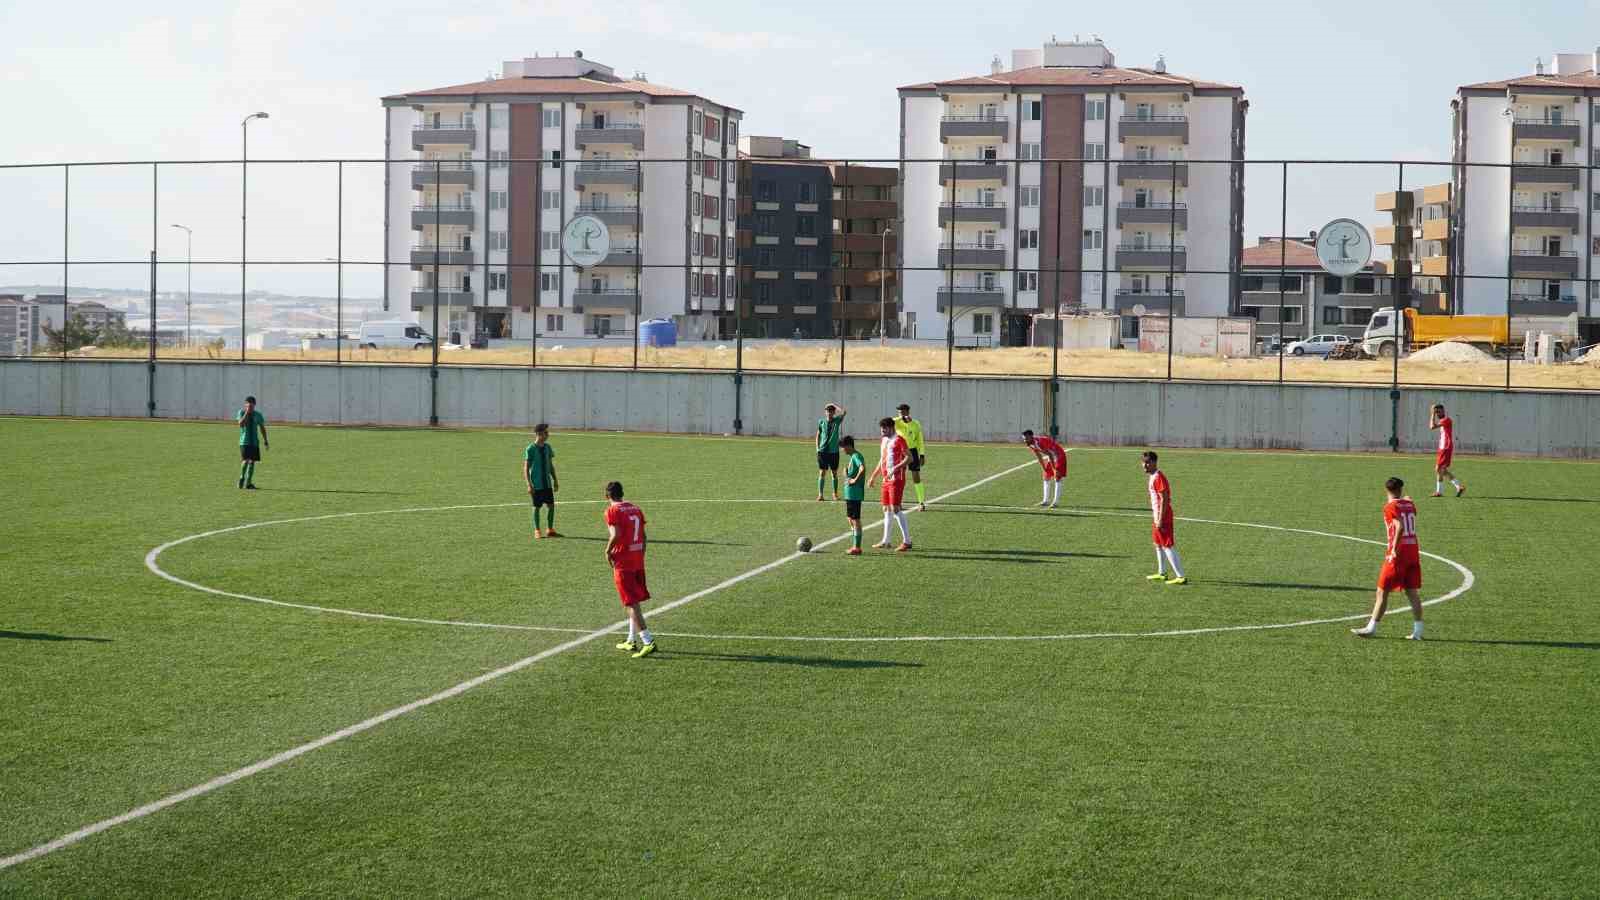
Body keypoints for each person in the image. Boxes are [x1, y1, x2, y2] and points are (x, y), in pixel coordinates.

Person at [1352, 477, 1425, 640]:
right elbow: (1407, 505)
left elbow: (1399, 526)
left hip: (1399, 553)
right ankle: (1418, 631)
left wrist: (1393, 549)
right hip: (1413, 551)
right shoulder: (1410, 504)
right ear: (1401, 489)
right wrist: (1407, 499)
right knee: (1412, 592)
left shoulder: (1390, 507)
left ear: (1386, 490)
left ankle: (1372, 628)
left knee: (1382, 591)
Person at [604, 481, 656, 659]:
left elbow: (616, 535)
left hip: (623, 561)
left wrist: (608, 550)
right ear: (622, 493)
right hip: (637, 558)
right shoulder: (636, 508)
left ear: (607, 496)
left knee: (630, 602)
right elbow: (644, 535)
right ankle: (631, 640)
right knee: (633, 599)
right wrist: (640, 555)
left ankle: (647, 641)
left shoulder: (613, 510)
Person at [867, 417, 913, 551]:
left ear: (891, 428)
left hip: (897, 479)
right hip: (886, 480)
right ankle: (886, 541)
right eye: (881, 429)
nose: (882, 431)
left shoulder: (899, 440)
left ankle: (907, 541)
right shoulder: (884, 440)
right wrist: (873, 476)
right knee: (886, 509)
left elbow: (910, 458)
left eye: (884, 428)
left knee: (896, 508)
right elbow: (882, 459)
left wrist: (895, 468)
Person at [1142, 451, 1186, 585]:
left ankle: (1180, 576)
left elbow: (1165, 499)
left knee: (1167, 545)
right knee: (1158, 544)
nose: (1145, 465)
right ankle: (1162, 573)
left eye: (1148, 462)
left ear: (1155, 463)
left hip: (1163, 516)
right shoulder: (1152, 476)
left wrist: (1160, 518)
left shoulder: (1158, 477)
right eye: (1143, 462)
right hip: (1157, 516)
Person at [523, 423, 560, 539]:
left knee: (551, 506)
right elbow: (526, 468)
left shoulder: (548, 447)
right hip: (536, 485)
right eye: (546, 432)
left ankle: (550, 529)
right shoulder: (531, 449)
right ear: (539, 434)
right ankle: (537, 530)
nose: (548, 434)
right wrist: (529, 484)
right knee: (537, 507)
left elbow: (550, 465)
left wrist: (555, 480)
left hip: (547, 484)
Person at [894, 403, 928, 512]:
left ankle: (921, 502)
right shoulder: (896, 423)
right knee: (900, 477)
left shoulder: (916, 423)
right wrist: (900, 418)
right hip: (900, 451)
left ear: (908, 411)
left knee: (916, 477)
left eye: (902, 411)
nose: (900, 413)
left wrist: (921, 454)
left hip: (912, 451)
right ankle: (898, 503)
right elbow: (889, 421)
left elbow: (920, 440)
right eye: (899, 412)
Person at [1022, 429, 1067, 508]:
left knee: (1057, 478)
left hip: (1059, 455)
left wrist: (1054, 469)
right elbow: (1039, 455)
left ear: (1031, 436)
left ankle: (1055, 502)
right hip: (1052, 456)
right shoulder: (1030, 444)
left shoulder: (1038, 442)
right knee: (1046, 477)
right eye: (1024, 439)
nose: (1025, 440)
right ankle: (1045, 501)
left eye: (1026, 438)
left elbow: (1049, 454)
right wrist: (1044, 468)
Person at [1429, 404, 1464, 498]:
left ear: (1444, 411)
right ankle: (1458, 487)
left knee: (1438, 469)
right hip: (1443, 447)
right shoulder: (1442, 420)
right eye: (1437, 412)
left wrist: (1431, 414)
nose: (1437, 413)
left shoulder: (1446, 420)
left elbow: (1432, 427)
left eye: (1439, 412)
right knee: (1442, 470)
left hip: (1445, 447)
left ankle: (1441, 491)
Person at [840, 436, 867, 556]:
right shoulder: (852, 457)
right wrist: (846, 474)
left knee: (855, 520)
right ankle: (855, 543)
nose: (842, 450)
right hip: (850, 494)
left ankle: (857, 547)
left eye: (843, 447)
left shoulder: (856, 456)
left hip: (854, 494)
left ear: (849, 446)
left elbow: (862, 468)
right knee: (850, 519)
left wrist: (855, 480)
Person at [235, 396, 269, 489]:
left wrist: (265, 440)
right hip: (244, 441)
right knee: (245, 460)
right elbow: (241, 424)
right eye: (248, 405)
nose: (250, 407)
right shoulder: (241, 412)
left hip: (254, 442)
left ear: (255, 405)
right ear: (245, 405)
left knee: (252, 462)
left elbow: (262, 428)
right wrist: (246, 412)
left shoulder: (258, 415)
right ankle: (242, 478)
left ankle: (248, 483)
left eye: (252, 405)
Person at [816, 402, 847, 501]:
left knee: (834, 473)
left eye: (831, 411)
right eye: (828, 411)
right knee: (822, 473)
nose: (829, 413)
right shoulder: (821, 422)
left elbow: (844, 412)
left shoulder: (837, 421)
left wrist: (834, 405)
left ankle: (835, 494)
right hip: (823, 451)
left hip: (834, 451)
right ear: (825, 412)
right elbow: (818, 435)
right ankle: (820, 495)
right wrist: (817, 447)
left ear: (834, 413)